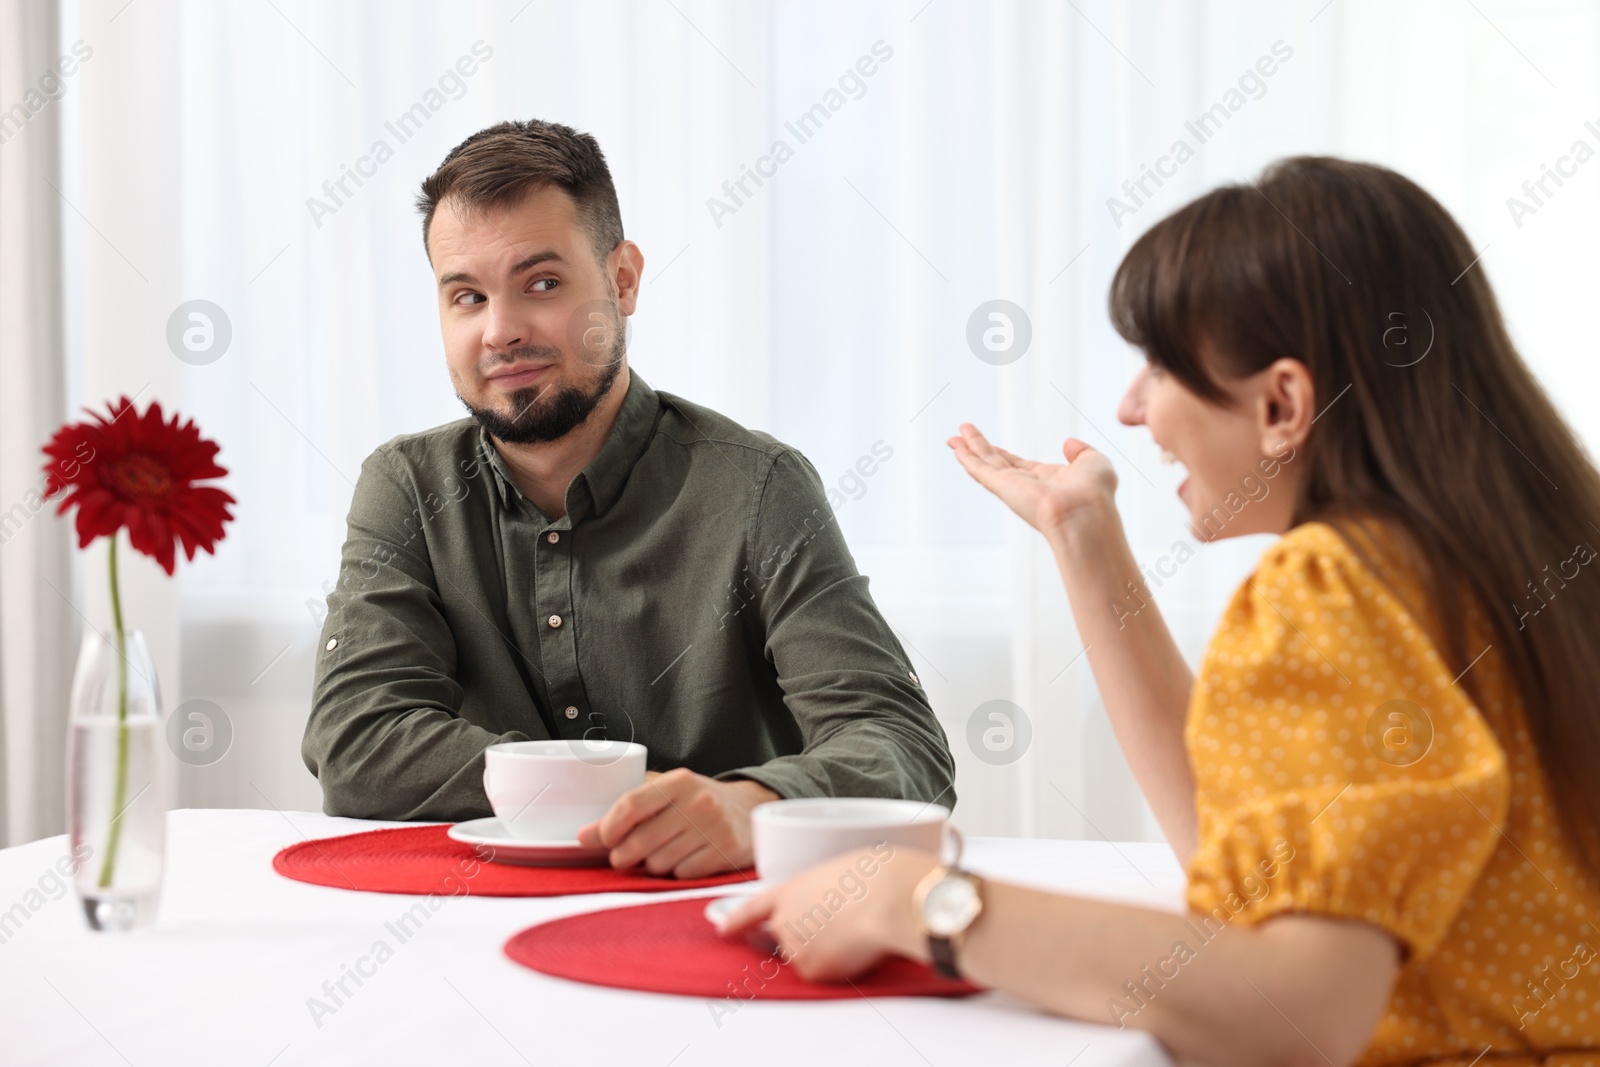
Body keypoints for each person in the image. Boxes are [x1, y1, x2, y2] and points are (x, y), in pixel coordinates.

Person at [726, 156, 1600, 1065]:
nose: (1132, 408)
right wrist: (1082, 534)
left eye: (1159, 365)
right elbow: (1262, 866)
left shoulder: (1331, 591)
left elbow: (1299, 1011)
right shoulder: (1521, 558)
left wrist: (923, 901)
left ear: (1282, 405)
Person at [302, 119, 954, 878]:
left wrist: (748, 804)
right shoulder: (406, 486)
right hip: (476, 925)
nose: (501, 331)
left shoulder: (759, 487)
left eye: (540, 284)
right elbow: (355, 741)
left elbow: (903, 747)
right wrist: (611, 789)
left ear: (623, 280)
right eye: (467, 297)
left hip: (713, 917)